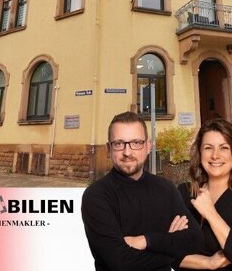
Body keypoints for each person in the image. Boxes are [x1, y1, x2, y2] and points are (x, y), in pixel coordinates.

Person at [81, 111, 204, 271]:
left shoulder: (166, 188)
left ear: (148, 146)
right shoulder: (96, 195)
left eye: (136, 142)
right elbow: (120, 262)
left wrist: (145, 241)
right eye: (119, 143)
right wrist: (171, 245)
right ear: (108, 148)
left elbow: (195, 240)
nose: (127, 152)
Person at [177, 119, 232, 271]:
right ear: (199, 152)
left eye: (224, 148)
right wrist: (208, 263)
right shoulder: (183, 192)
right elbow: (164, 253)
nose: (215, 155)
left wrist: (210, 213)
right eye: (208, 148)